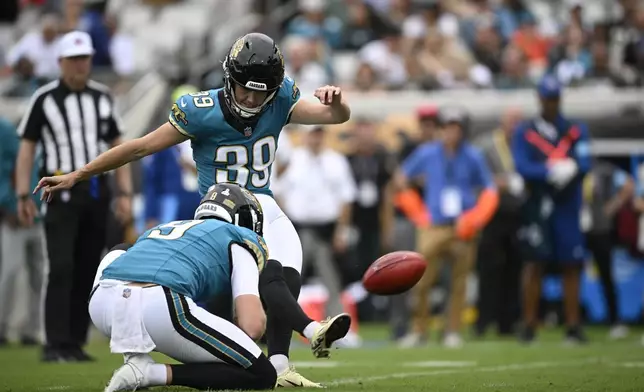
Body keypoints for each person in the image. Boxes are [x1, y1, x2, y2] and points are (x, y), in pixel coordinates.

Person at [34, 32, 351, 386]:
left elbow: (333, 116)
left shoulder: (280, 99)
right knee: (251, 288)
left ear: (273, 90)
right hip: (221, 211)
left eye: (258, 91)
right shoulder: (200, 110)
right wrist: (79, 173)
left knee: (287, 271)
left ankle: (280, 364)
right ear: (229, 77)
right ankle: (303, 331)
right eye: (243, 87)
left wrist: (336, 103)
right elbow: (139, 147)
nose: (248, 97)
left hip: (262, 203)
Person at [90, 183, 276, 391]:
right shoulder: (239, 239)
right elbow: (252, 327)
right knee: (263, 374)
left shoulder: (163, 228)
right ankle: (148, 373)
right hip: (158, 303)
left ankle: (134, 359)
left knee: (123, 250)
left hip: (102, 303)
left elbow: (119, 252)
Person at [16, 30, 132, 362]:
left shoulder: (102, 97)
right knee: (61, 265)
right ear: (61, 62)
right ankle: (54, 342)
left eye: (85, 58)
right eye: (74, 59)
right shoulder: (45, 98)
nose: (81, 65)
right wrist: (23, 194)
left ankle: (76, 342)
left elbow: (118, 147)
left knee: (86, 266)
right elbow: (27, 149)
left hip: (96, 190)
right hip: (57, 190)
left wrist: (123, 192)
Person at [395, 106, 499, 348]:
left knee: (459, 283)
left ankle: (452, 330)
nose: (451, 132)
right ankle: (419, 329)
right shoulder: (428, 153)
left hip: (463, 226)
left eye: (456, 128)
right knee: (421, 281)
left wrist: (475, 218)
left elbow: (489, 189)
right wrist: (417, 211)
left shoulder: (473, 155)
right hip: (433, 225)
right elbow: (400, 179)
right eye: (447, 127)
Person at [511, 75, 591, 344]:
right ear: (539, 98)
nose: (551, 103)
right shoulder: (526, 130)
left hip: (568, 203)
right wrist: (549, 170)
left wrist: (572, 169)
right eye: (547, 98)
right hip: (538, 203)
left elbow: (584, 162)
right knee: (534, 262)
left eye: (555, 98)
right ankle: (529, 324)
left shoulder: (575, 129)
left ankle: (573, 326)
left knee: (572, 263)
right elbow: (521, 166)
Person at [0, 117, 45, 346]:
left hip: (39, 217)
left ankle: (32, 329)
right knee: (9, 273)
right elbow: (4, 173)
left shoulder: (41, 140)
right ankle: (2, 328)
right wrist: (8, 205)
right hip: (14, 218)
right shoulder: (6, 133)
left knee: (40, 276)